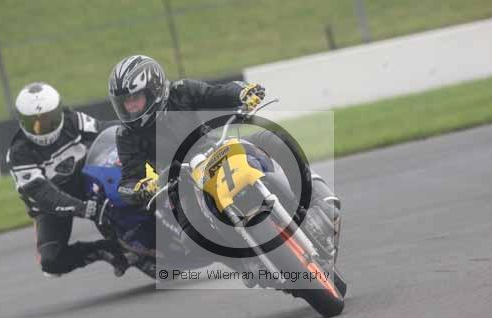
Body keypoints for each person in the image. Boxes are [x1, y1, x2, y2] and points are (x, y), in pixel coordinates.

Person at [108, 55, 340, 252]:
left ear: (154, 90)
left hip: (218, 148)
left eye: (135, 99)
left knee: (275, 139)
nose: (130, 107)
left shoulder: (182, 91)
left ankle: (313, 202)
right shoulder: (126, 135)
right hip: (181, 181)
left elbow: (219, 93)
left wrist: (243, 92)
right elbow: (128, 181)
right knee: (191, 239)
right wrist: (140, 187)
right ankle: (246, 264)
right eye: (125, 103)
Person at [6, 82, 129, 278]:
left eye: (49, 119)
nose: (42, 128)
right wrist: (82, 208)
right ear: (22, 121)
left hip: (85, 179)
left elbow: (104, 129)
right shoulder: (18, 153)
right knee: (51, 263)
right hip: (50, 207)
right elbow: (43, 193)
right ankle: (103, 250)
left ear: (59, 112)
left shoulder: (72, 120)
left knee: (122, 185)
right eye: (34, 123)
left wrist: (134, 130)